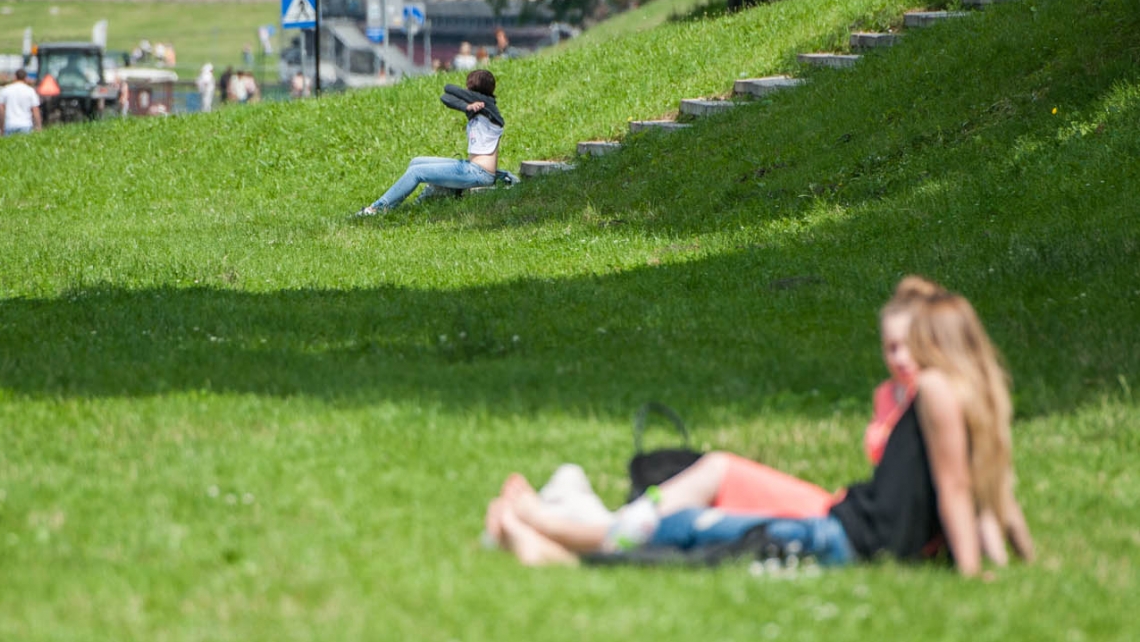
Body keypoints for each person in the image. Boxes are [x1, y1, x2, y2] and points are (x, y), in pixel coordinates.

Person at [490, 280, 1034, 577]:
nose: (899, 358)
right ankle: (547, 534)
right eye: (891, 346)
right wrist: (1009, 562)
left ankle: (543, 532)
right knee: (685, 541)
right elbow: (983, 495)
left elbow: (975, 492)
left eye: (910, 345)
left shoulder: (939, 395)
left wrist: (979, 569)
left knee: (682, 537)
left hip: (840, 531)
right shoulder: (963, 400)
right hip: (846, 530)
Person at [356, 69, 507, 215]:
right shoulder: (476, 109)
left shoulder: (489, 108)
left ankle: (378, 209)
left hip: (480, 173)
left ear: (473, 89)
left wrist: (470, 103)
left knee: (417, 172)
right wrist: (466, 106)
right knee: (416, 162)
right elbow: (446, 96)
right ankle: (422, 199)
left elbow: (450, 88)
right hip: (470, 167)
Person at [0, 68, 40, 135]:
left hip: (10, 124)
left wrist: (1, 126)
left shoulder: (6, 90)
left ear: (15, 77)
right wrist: (38, 126)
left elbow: (0, 109)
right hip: (26, 124)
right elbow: (35, 110)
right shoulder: (30, 91)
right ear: (25, 78)